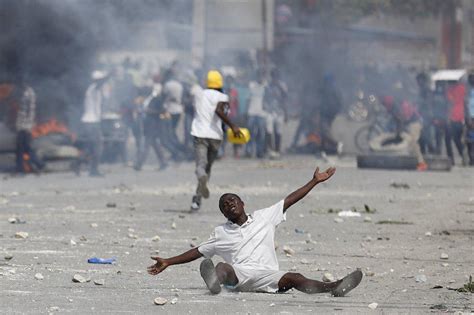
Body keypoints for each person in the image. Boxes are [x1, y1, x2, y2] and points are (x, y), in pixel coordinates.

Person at [148, 166, 363, 296]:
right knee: (222, 266)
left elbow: (289, 199)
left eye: (232, 200)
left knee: (296, 278)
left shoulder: (264, 216)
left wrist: (314, 181)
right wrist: (168, 261)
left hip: (268, 274)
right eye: (224, 205)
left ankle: (335, 287)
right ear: (224, 214)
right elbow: (197, 251)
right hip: (240, 276)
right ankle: (215, 282)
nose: (228, 204)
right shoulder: (221, 232)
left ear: (242, 203)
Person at [189, 70, 241, 211]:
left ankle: (200, 182)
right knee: (208, 167)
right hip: (215, 136)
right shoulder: (222, 96)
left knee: (200, 165)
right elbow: (219, 111)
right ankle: (197, 199)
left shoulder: (199, 94)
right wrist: (233, 126)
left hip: (199, 133)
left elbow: (190, 105)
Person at [75, 71, 109, 177]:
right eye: (101, 80)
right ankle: (92, 170)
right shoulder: (94, 89)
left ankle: (80, 164)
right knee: (98, 147)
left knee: (91, 147)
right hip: (92, 122)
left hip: (91, 122)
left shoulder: (94, 89)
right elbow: (98, 87)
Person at [14, 80, 45, 173]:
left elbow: (31, 111)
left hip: (25, 126)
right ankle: (38, 164)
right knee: (24, 148)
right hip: (22, 125)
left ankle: (21, 169)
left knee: (22, 148)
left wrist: (28, 126)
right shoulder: (25, 93)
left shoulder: (29, 94)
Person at [264, 68, 288, 159]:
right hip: (270, 111)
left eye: (276, 76)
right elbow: (265, 98)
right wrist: (265, 108)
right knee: (269, 130)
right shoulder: (268, 86)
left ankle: (277, 150)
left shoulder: (282, 86)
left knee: (278, 131)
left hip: (280, 112)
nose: (275, 78)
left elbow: (285, 100)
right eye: (273, 76)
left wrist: (286, 114)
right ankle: (271, 150)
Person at [245, 71, 267, 158]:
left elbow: (267, 99)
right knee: (250, 133)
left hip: (261, 113)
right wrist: (246, 112)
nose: (261, 78)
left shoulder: (265, 86)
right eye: (260, 76)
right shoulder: (252, 86)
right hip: (252, 112)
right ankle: (248, 151)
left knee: (261, 134)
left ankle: (259, 151)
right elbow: (248, 99)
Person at [446, 80, 467, 165]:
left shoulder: (449, 90)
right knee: (457, 139)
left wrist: (447, 117)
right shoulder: (463, 88)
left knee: (448, 139)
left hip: (453, 118)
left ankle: (451, 159)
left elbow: (450, 103)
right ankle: (463, 154)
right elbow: (465, 101)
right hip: (461, 116)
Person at [466, 72, 474, 165]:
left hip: (471, 118)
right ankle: (471, 159)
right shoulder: (468, 91)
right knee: (470, 139)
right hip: (469, 117)